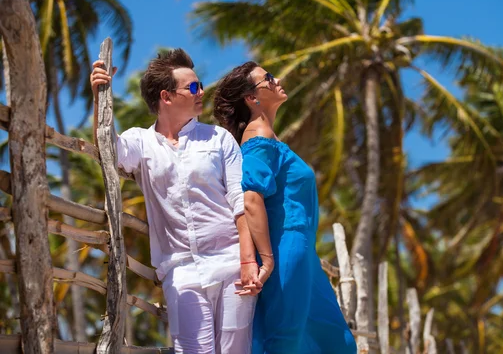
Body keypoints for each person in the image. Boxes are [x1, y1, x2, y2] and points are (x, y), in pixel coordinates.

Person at [90, 49, 266, 354]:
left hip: (231, 263)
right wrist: (99, 96)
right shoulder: (140, 142)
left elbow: (239, 200)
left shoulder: (219, 139)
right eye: (194, 87)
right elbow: (109, 149)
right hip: (180, 270)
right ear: (166, 97)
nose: (202, 92)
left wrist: (248, 261)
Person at [213, 62, 357, 354]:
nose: (276, 79)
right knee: (286, 340)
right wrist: (267, 260)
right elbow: (250, 198)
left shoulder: (270, 137)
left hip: (304, 253)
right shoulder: (258, 138)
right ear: (251, 98)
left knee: (337, 342)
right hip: (285, 249)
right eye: (267, 78)